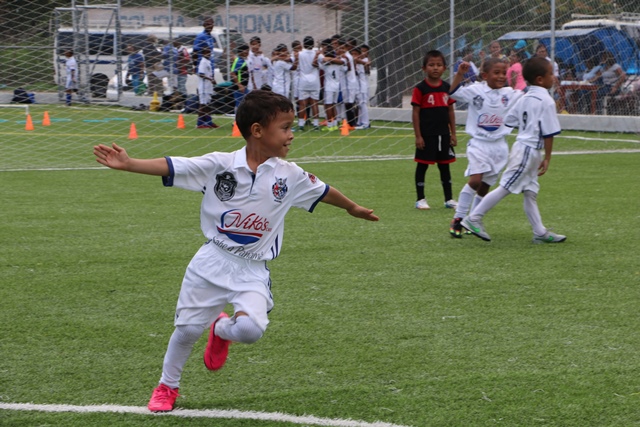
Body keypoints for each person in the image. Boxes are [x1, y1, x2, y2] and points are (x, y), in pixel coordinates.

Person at [92, 89, 380, 413]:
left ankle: (220, 330)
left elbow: (324, 191)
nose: (291, 135)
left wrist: (352, 207)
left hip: (253, 269)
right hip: (212, 261)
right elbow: (174, 166)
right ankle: (167, 386)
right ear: (257, 131)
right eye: (285, 127)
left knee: (250, 330)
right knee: (187, 331)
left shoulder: (290, 175)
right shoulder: (220, 165)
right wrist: (130, 163)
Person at [461, 57, 566, 243]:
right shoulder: (547, 101)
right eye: (551, 74)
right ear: (540, 79)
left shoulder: (524, 97)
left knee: (530, 191)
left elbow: (509, 119)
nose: (554, 77)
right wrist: (548, 157)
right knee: (506, 187)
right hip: (528, 150)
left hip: (523, 147)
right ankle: (473, 218)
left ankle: (540, 232)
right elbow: (549, 133)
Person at [448, 58, 524, 237]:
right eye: (496, 73)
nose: (501, 76)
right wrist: (460, 74)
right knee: (475, 181)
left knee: (485, 186)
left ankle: (473, 219)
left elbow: (528, 97)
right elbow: (452, 92)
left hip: (499, 147)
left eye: (503, 73)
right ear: (484, 75)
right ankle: (458, 218)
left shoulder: (510, 93)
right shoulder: (476, 90)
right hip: (479, 144)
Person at [411, 50, 458, 210]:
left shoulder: (447, 88)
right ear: (424, 68)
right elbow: (415, 113)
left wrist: (453, 134)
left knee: (445, 166)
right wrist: (418, 136)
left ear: (444, 68)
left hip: (443, 135)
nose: (435, 68)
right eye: (431, 65)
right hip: (427, 135)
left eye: (439, 65)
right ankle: (420, 199)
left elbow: (450, 111)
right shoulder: (420, 89)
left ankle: (449, 199)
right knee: (422, 165)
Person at [295, 36, 322, 131]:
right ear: (313, 44)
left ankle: (301, 125)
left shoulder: (300, 54)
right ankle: (316, 125)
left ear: (303, 44)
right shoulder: (317, 54)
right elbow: (322, 63)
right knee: (314, 103)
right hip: (315, 81)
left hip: (303, 81)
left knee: (302, 104)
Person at [320, 43, 346, 131]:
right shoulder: (338, 64)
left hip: (329, 87)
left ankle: (330, 125)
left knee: (328, 106)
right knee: (333, 105)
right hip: (336, 86)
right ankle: (334, 124)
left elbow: (320, 61)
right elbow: (344, 65)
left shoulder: (326, 64)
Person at [595, 50, 626, 115]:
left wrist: (615, 87)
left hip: (613, 87)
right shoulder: (603, 68)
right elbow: (596, 76)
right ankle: (597, 111)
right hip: (605, 86)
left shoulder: (615, 66)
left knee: (599, 94)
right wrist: (587, 81)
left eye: (603, 58)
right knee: (593, 92)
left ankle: (600, 112)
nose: (602, 59)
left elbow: (623, 76)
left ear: (607, 58)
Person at [196, 47, 218, 128]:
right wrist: (210, 79)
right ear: (203, 53)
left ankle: (209, 122)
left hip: (209, 87)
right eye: (206, 52)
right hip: (204, 87)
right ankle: (199, 123)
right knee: (203, 105)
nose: (209, 54)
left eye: (209, 52)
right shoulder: (203, 62)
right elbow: (201, 74)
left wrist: (212, 79)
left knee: (208, 105)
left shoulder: (208, 62)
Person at [354, 44, 371, 129]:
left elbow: (367, 70)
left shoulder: (365, 59)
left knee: (363, 103)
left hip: (363, 86)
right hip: (358, 85)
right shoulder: (360, 60)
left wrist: (365, 64)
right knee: (359, 104)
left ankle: (366, 123)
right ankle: (360, 122)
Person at [230, 44, 250, 112]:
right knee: (239, 104)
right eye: (245, 50)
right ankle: (237, 117)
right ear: (240, 51)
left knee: (245, 103)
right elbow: (233, 73)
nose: (247, 52)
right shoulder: (239, 61)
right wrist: (239, 85)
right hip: (239, 87)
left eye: (248, 50)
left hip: (244, 86)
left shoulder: (242, 60)